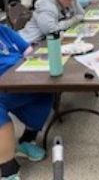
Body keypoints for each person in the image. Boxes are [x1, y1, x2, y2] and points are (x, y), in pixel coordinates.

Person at [0, 21, 53, 173]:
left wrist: (34, 65)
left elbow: (27, 49)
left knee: (45, 91)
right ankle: (8, 169)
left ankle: (26, 140)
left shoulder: (4, 30)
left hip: (19, 78)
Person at [19, 0, 83, 46]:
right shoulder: (47, 5)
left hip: (47, 40)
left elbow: (81, 14)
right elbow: (51, 31)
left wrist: (74, 0)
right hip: (29, 43)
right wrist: (73, 20)